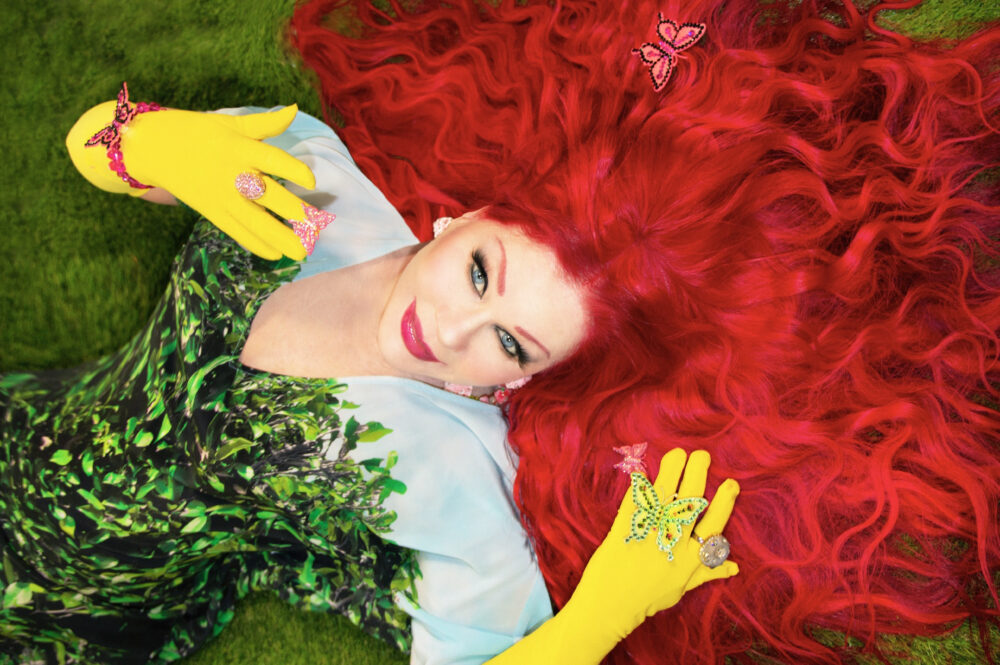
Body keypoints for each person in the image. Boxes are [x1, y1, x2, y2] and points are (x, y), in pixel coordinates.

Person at [2, 1, 998, 665]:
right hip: (29, 419)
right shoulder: (313, 175)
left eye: (509, 344)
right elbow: (92, 143)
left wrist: (605, 609)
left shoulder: (453, 481)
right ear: (460, 218)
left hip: (74, 603)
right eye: (480, 271)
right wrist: (149, 139)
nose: (449, 328)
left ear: (517, 383)